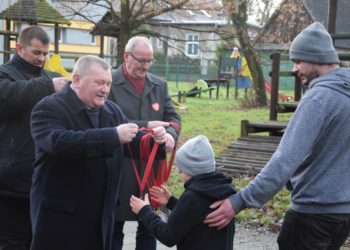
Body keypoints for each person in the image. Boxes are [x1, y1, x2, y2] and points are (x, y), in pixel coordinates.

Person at [204, 22, 350, 249]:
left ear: (316, 57)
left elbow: (285, 160)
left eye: (297, 61)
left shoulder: (318, 98)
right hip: (343, 215)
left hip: (312, 215)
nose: (294, 69)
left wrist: (239, 201)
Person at [29, 55, 167, 250]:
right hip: (61, 219)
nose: (105, 90)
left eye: (108, 83)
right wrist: (112, 136)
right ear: (76, 80)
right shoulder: (48, 108)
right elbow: (59, 143)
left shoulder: (112, 110)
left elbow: (131, 142)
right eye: (99, 83)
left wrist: (155, 142)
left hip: (101, 218)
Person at [109, 36, 181, 250]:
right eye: (141, 60)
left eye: (150, 61)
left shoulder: (159, 84)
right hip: (121, 164)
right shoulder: (110, 82)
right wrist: (147, 124)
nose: (146, 66)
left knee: (149, 224)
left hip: (152, 167)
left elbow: (174, 117)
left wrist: (170, 135)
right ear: (126, 57)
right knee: (115, 225)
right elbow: (108, 118)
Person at [0, 25, 68, 249]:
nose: (42, 59)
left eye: (46, 53)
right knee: (14, 242)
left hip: (46, 178)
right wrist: (48, 87)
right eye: (36, 52)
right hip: (11, 181)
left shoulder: (52, 77)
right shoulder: (5, 74)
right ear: (19, 48)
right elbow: (8, 98)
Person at [130, 135, 237, 250]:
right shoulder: (222, 190)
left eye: (182, 170)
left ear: (192, 169)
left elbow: (167, 236)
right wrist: (171, 201)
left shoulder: (193, 196)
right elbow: (195, 215)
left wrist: (145, 211)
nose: (180, 174)